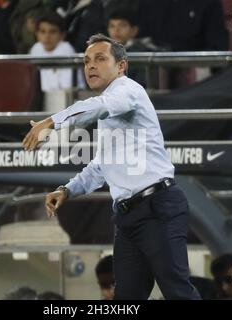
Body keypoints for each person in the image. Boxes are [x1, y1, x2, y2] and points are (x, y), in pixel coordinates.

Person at [23, 33, 201, 300]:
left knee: (177, 292)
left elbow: (97, 106)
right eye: (85, 61)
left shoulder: (127, 90)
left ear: (121, 66)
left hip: (156, 208)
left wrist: (50, 121)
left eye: (99, 59)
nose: (90, 66)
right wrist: (67, 190)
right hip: (128, 218)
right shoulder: (109, 111)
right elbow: (101, 165)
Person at [29, 11, 77, 92]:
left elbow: (67, 87)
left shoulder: (67, 50)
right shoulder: (36, 49)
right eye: (42, 31)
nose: (47, 36)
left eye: (53, 32)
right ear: (36, 34)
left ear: (62, 35)